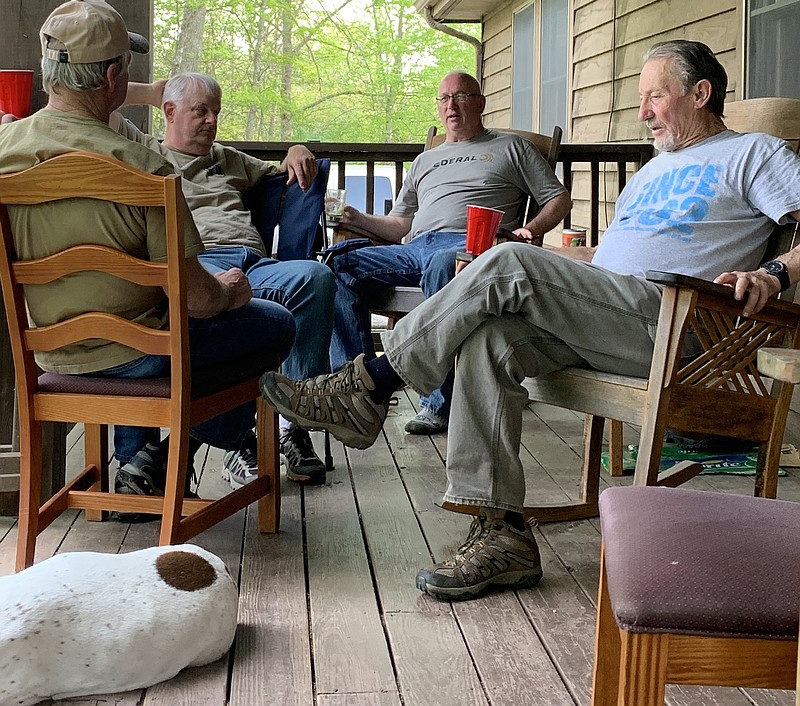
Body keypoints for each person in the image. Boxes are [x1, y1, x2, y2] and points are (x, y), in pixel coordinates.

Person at [258, 40, 800, 601]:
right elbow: (611, 260)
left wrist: (775, 273)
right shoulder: (653, 170)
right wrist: (558, 265)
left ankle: (369, 383)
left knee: (509, 261)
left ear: (701, 94)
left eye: (655, 97)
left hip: (683, 326)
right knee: (491, 339)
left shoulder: (753, 153)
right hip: (614, 317)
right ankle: (501, 533)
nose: (643, 113)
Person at [0, 0, 295, 514]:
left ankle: (143, 459)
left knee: (161, 325)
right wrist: (229, 294)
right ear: (114, 76)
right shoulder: (145, 168)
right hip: (140, 359)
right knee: (273, 323)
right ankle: (210, 443)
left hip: (50, 355)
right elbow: (197, 300)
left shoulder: (5, 150)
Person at [114, 72, 336, 487]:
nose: (212, 121)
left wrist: (297, 148)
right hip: (200, 266)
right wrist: (149, 90)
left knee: (317, 277)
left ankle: (296, 425)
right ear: (169, 111)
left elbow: (281, 171)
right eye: (201, 111)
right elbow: (95, 95)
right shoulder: (143, 149)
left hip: (255, 264)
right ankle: (234, 441)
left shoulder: (227, 158)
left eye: (216, 112)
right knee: (223, 320)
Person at [329, 70, 571, 434]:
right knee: (338, 262)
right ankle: (359, 389)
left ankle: (439, 403)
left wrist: (530, 229)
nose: (450, 105)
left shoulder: (510, 148)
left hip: (469, 246)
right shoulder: (425, 161)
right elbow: (400, 226)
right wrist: (356, 217)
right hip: (413, 248)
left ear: (480, 103)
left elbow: (559, 198)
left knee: (446, 264)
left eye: (460, 96)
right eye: (443, 99)